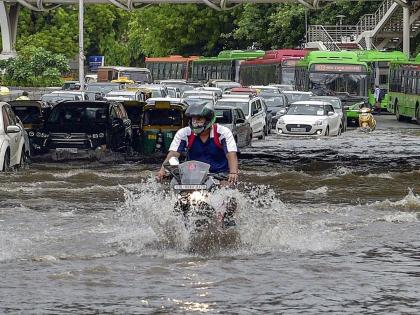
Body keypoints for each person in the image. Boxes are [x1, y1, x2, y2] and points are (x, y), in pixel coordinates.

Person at [156, 101, 239, 185]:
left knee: (227, 189)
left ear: (208, 119)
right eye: (193, 119)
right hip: (193, 175)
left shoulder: (223, 132)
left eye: (199, 119)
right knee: (173, 186)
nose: (195, 122)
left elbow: (231, 154)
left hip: (220, 174)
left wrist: (233, 172)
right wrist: (162, 171)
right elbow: (173, 154)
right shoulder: (184, 133)